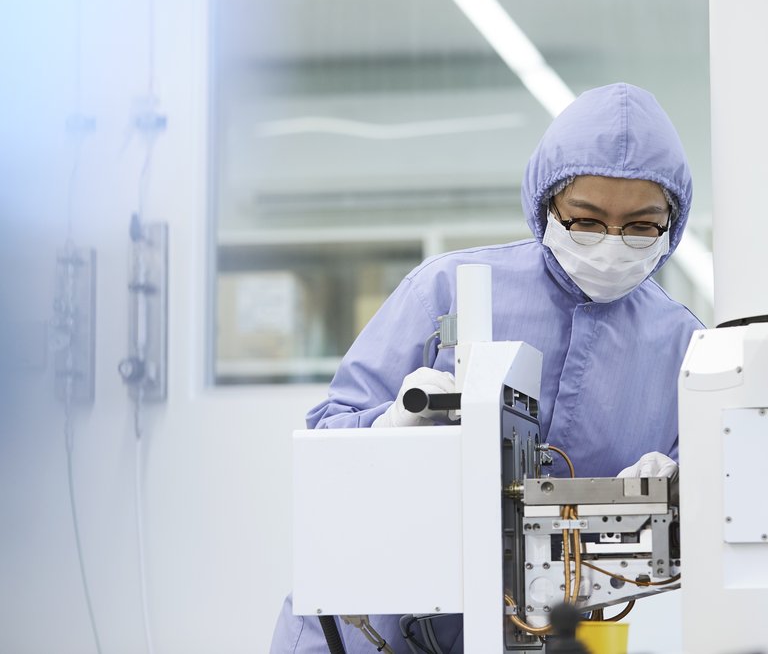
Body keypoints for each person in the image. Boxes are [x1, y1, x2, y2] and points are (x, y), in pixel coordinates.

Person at [269, 82, 702, 654]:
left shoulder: (679, 344)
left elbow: (712, 503)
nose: (610, 244)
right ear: (547, 203)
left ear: (671, 223)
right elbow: (325, 440)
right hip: (370, 628)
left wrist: (675, 493)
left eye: (642, 225)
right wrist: (389, 428)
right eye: (586, 220)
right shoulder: (445, 290)